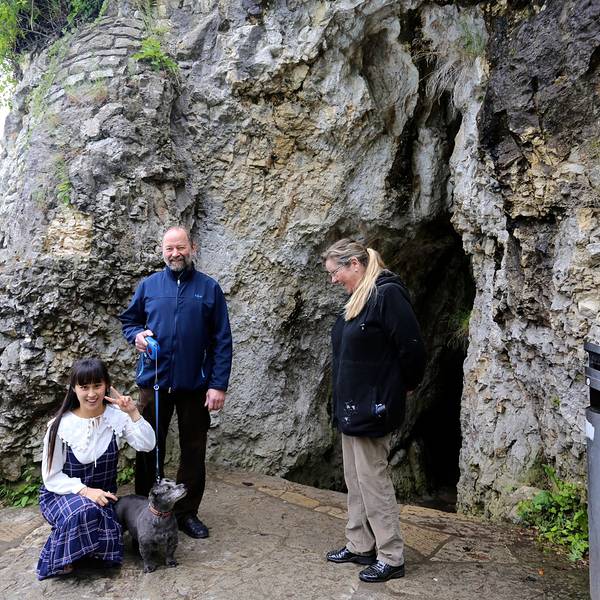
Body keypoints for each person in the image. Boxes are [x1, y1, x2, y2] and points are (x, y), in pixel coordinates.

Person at [322, 238, 425, 583]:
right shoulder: (360, 297)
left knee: (373, 481)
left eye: (334, 272)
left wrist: (403, 385)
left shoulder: (387, 294)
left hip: (373, 407)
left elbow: (412, 348)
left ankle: (391, 555)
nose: (333, 280)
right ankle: (360, 544)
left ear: (354, 264)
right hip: (352, 407)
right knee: (355, 479)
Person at [119, 226, 232, 539]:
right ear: (162, 250)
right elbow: (129, 321)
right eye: (169, 248)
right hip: (153, 384)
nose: (175, 254)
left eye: (180, 247)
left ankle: (186, 513)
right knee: (146, 446)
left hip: (195, 387)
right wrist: (137, 336)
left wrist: (218, 384)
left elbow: (222, 340)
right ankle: (143, 509)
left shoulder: (209, 288)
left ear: (192, 247)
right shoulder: (149, 286)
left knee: (193, 450)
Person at [37, 357, 156, 580]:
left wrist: (133, 413)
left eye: (97, 386)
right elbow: (51, 477)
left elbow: (147, 445)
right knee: (83, 511)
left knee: (99, 523)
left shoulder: (116, 417)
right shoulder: (60, 425)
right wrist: (85, 491)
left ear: (106, 385)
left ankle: (77, 544)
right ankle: (64, 554)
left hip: (103, 498)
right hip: (62, 494)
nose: (91, 394)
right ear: (74, 388)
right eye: (84, 387)